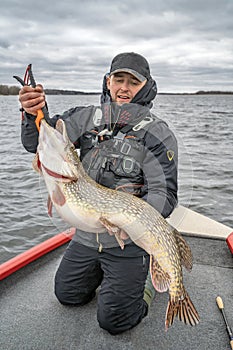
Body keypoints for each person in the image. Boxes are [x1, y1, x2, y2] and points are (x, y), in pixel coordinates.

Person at [19, 52, 178, 335]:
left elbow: (165, 194)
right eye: (119, 79)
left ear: (146, 86)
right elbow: (38, 141)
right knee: (68, 295)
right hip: (88, 236)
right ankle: (108, 276)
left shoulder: (156, 132)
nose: (124, 88)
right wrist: (31, 114)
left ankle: (143, 285)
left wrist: (132, 221)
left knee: (115, 322)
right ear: (108, 81)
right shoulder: (87, 118)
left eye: (133, 82)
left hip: (128, 242)